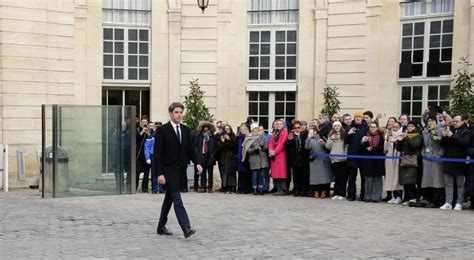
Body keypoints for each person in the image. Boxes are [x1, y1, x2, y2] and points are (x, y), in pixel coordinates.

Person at [154, 102, 203, 238]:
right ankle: (186, 228)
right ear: (170, 113)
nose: (179, 115)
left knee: (169, 199)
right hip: (167, 170)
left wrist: (198, 163)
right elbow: (157, 154)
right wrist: (159, 173)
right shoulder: (163, 130)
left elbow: (191, 149)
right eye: (176, 112)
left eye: (181, 112)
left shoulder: (186, 130)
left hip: (180, 170)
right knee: (177, 199)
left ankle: (161, 226)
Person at [440, 115, 471, 210]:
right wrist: (444, 137)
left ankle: (459, 202)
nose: (454, 123)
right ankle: (448, 202)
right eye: (453, 121)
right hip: (448, 159)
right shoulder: (451, 129)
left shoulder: (467, 131)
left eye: (457, 121)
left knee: (460, 184)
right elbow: (443, 145)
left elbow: (465, 143)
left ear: (462, 121)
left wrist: (452, 136)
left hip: (460, 160)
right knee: (448, 183)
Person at [396, 121, 422, 206]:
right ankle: (407, 198)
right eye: (408, 126)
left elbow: (415, 145)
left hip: (413, 161)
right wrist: (399, 140)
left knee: (410, 180)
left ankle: (413, 197)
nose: (409, 128)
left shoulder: (418, 136)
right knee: (404, 180)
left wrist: (407, 137)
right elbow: (399, 148)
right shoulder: (406, 136)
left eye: (411, 126)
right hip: (404, 160)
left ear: (415, 127)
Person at [420, 116, 445, 207]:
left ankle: (436, 200)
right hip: (427, 157)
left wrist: (439, 155)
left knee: (436, 179)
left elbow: (443, 145)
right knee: (427, 179)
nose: (430, 122)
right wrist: (423, 154)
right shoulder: (425, 132)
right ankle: (427, 198)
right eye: (429, 121)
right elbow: (423, 145)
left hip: (436, 157)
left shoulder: (440, 130)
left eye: (432, 121)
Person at [344, 112, 368, 201]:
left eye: (359, 117)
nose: (358, 118)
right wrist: (349, 133)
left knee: (363, 177)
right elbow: (345, 141)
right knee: (352, 177)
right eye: (356, 117)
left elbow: (368, 141)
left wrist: (365, 140)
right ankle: (351, 195)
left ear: (362, 118)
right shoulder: (349, 127)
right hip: (352, 155)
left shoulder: (366, 128)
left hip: (363, 155)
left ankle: (363, 195)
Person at [360, 122, 385, 202]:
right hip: (368, 161)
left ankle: (376, 197)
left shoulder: (381, 137)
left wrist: (373, 148)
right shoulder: (365, 136)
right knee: (368, 179)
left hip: (378, 160)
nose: (372, 128)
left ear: (377, 128)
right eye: (371, 127)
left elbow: (382, 148)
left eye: (374, 127)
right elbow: (362, 148)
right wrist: (364, 142)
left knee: (377, 179)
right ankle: (367, 196)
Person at [306, 126, 332, 198]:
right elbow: (307, 147)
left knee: (325, 177)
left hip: (323, 160)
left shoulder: (322, 137)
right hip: (314, 160)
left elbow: (328, 146)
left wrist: (323, 143)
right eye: (311, 131)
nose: (313, 133)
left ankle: (324, 192)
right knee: (314, 178)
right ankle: (316, 192)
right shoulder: (309, 139)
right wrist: (308, 138)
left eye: (314, 131)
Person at [285, 121, 309, 197]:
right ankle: (296, 190)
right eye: (295, 128)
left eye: (298, 127)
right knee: (295, 176)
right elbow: (287, 147)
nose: (297, 129)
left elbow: (307, 147)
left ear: (301, 128)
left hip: (303, 158)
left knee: (303, 175)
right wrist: (289, 140)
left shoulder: (304, 135)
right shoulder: (291, 135)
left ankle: (303, 190)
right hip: (294, 158)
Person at [243, 123, 268, 195]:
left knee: (261, 174)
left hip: (262, 158)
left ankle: (261, 188)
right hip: (254, 158)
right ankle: (254, 188)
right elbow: (247, 149)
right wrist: (254, 150)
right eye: (255, 129)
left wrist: (263, 147)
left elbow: (266, 145)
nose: (256, 130)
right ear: (252, 130)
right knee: (254, 174)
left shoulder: (262, 137)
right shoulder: (249, 138)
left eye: (257, 129)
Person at [325, 121, 348, 200]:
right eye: (335, 126)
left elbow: (346, 146)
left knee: (342, 178)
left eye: (338, 125)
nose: (337, 127)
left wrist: (345, 155)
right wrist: (331, 139)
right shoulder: (331, 134)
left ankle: (342, 194)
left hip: (342, 159)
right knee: (336, 178)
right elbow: (328, 146)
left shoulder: (344, 134)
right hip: (334, 159)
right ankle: (337, 192)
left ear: (341, 126)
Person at [194, 121, 218, 193]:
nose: (206, 129)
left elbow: (217, 146)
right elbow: (195, 145)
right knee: (203, 172)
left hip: (210, 156)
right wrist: (198, 153)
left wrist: (213, 154)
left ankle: (210, 187)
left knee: (210, 172)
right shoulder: (199, 135)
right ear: (202, 128)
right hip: (202, 155)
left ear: (210, 128)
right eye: (204, 127)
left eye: (207, 127)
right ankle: (203, 187)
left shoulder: (213, 136)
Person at [383, 121, 403, 204]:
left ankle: (399, 196)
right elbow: (385, 149)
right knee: (391, 177)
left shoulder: (401, 135)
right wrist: (387, 139)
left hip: (398, 158)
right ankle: (393, 195)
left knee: (397, 177)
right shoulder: (389, 136)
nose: (394, 128)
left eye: (396, 127)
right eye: (393, 127)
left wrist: (398, 141)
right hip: (390, 159)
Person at [269, 119, 288, 196]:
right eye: (277, 124)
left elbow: (282, 143)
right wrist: (270, 150)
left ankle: (282, 189)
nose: (278, 125)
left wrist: (274, 151)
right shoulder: (274, 133)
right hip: (274, 155)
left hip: (280, 155)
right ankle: (277, 188)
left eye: (280, 124)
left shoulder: (285, 133)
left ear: (283, 125)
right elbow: (270, 142)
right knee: (276, 173)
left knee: (281, 173)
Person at [216, 125, 237, 193]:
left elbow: (234, 145)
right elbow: (219, 147)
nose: (227, 130)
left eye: (228, 128)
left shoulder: (233, 136)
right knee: (225, 171)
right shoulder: (221, 136)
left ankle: (232, 187)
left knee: (231, 172)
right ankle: (225, 187)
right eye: (226, 129)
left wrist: (229, 139)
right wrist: (222, 141)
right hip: (223, 156)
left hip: (231, 156)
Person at [136, 115, 151, 192]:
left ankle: (144, 188)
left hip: (147, 156)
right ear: (140, 123)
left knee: (146, 172)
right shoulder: (138, 130)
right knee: (137, 171)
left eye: (146, 122)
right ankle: (135, 186)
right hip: (139, 154)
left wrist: (148, 134)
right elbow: (136, 140)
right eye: (143, 122)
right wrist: (142, 132)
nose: (144, 123)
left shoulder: (150, 130)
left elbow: (153, 140)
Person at [236, 123, 251, 194]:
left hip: (247, 157)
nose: (242, 130)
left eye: (244, 129)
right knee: (240, 173)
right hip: (239, 158)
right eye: (241, 129)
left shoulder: (249, 137)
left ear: (247, 129)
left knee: (246, 173)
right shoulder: (238, 137)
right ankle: (240, 188)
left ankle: (246, 188)